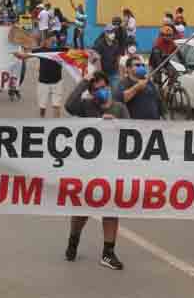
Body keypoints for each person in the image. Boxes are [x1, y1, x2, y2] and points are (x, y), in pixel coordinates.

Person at [64, 71, 129, 270]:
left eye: (103, 87)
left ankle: (108, 253)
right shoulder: (86, 107)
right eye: (96, 89)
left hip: (112, 166)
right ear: (91, 93)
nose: (101, 91)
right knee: (84, 209)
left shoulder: (120, 108)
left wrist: (115, 126)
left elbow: (132, 132)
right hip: (90, 167)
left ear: (109, 87)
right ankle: (73, 239)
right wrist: (84, 81)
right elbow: (69, 105)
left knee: (111, 209)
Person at [15, 34, 67, 118]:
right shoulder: (41, 51)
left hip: (57, 82)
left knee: (56, 105)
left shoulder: (61, 50)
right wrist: (17, 54)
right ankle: (42, 121)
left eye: (54, 40)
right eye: (51, 40)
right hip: (43, 83)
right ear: (45, 41)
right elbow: (24, 56)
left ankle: (57, 124)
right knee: (42, 107)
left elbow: (75, 54)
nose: (53, 41)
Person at [116, 54, 163, 120]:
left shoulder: (148, 82)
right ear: (128, 68)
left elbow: (157, 99)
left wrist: (162, 115)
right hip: (136, 125)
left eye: (142, 65)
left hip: (154, 122)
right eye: (137, 65)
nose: (141, 67)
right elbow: (122, 98)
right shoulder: (124, 83)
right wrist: (137, 87)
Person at [93, 24, 122, 90]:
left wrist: (119, 71)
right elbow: (97, 59)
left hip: (114, 72)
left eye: (113, 32)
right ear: (105, 33)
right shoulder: (99, 44)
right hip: (103, 73)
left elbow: (118, 57)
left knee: (116, 91)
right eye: (110, 32)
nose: (113, 34)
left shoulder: (116, 43)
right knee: (103, 93)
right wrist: (100, 74)